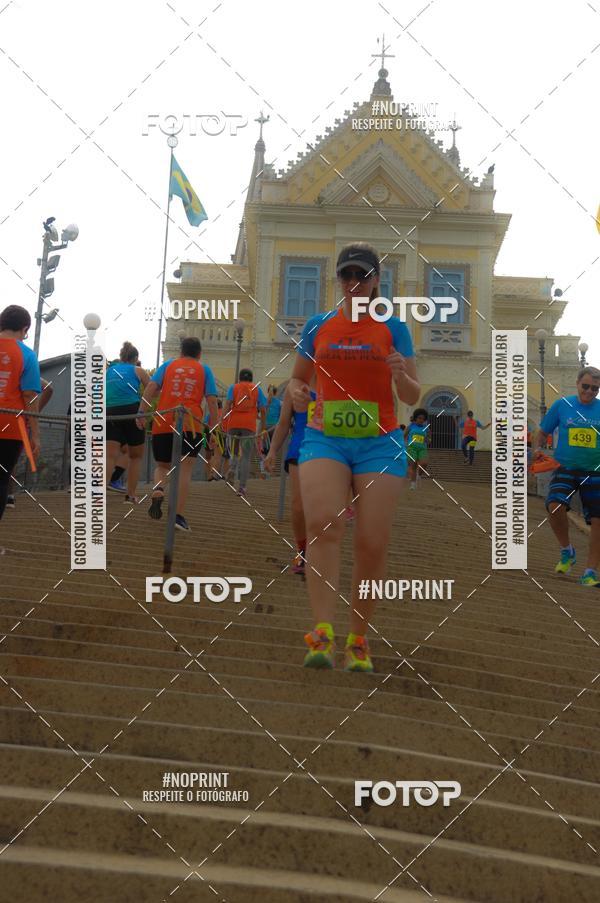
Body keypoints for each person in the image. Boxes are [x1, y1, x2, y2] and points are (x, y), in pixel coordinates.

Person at [289, 242, 419, 672]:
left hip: (380, 442)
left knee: (371, 543)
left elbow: (412, 395)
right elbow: (297, 380)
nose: (353, 283)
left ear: (377, 280)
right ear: (339, 280)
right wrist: (296, 392)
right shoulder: (318, 325)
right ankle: (322, 631)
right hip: (325, 436)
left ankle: (358, 637)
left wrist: (400, 374)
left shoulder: (394, 328)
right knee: (322, 523)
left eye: (362, 276)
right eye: (346, 275)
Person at [137, 336, 217, 532]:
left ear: (181, 352)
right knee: (184, 470)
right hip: (190, 425)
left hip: (163, 422)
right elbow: (212, 401)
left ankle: (158, 489)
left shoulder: (168, 365)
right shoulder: (204, 370)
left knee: (162, 466)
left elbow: (151, 387)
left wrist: (141, 412)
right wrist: (214, 429)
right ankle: (177, 517)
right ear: (199, 354)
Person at [533, 366, 600, 586]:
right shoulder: (563, 405)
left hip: (595, 472)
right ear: (578, 383)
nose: (590, 392)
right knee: (554, 505)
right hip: (566, 468)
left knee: (598, 523)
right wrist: (537, 449)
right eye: (586, 386)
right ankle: (567, 550)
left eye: (595, 389)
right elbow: (542, 432)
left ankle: (590, 572)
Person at [263, 384, 317, 574]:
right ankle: (303, 550)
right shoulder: (294, 388)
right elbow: (284, 422)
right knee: (298, 505)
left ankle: (320, 551)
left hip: (333, 451)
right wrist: (272, 451)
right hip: (300, 448)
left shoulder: (338, 383)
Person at [0, 305, 41, 547]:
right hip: (9, 427)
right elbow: (30, 397)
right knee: (1, 480)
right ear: (25, 329)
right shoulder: (26, 355)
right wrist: (35, 435)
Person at [106, 342, 150, 503]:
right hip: (132, 410)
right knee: (136, 456)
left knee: (109, 455)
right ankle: (130, 495)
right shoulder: (137, 370)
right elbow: (152, 387)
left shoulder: (108, 371)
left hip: (109, 412)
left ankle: (98, 496)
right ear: (135, 358)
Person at [5, 377, 53, 509]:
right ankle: (9, 496)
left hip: (11, 416)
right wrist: (32, 414)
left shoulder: (18, 366)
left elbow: (48, 388)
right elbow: (48, 388)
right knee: (10, 458)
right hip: (19, 419)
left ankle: (9, 496)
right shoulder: (24, 368)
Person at [222, 368, 267, 498]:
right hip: (249, 426)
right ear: (251, 379)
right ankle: (241, 487)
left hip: (233, 424)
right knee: (246, 456)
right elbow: (263, 410)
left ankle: (231, 468)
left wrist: (222, 419)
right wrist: (263, 428)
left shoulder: (233, 387)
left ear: (239, 378)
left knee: (234, 451)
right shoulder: (257, 390)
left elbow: (228, 404)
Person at [405, 408, 430, 490]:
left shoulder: (426, 428)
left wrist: (428, 440)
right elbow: (404, 435)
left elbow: (429, 439)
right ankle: (413, 484)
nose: (421, 420)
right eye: (419, 418)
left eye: (423, 418)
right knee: (413, 466)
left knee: (424, 463)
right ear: (416, 418)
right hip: (412, 448)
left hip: (422, 449)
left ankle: (419, 475)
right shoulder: (411, 426)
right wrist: (405, 444)